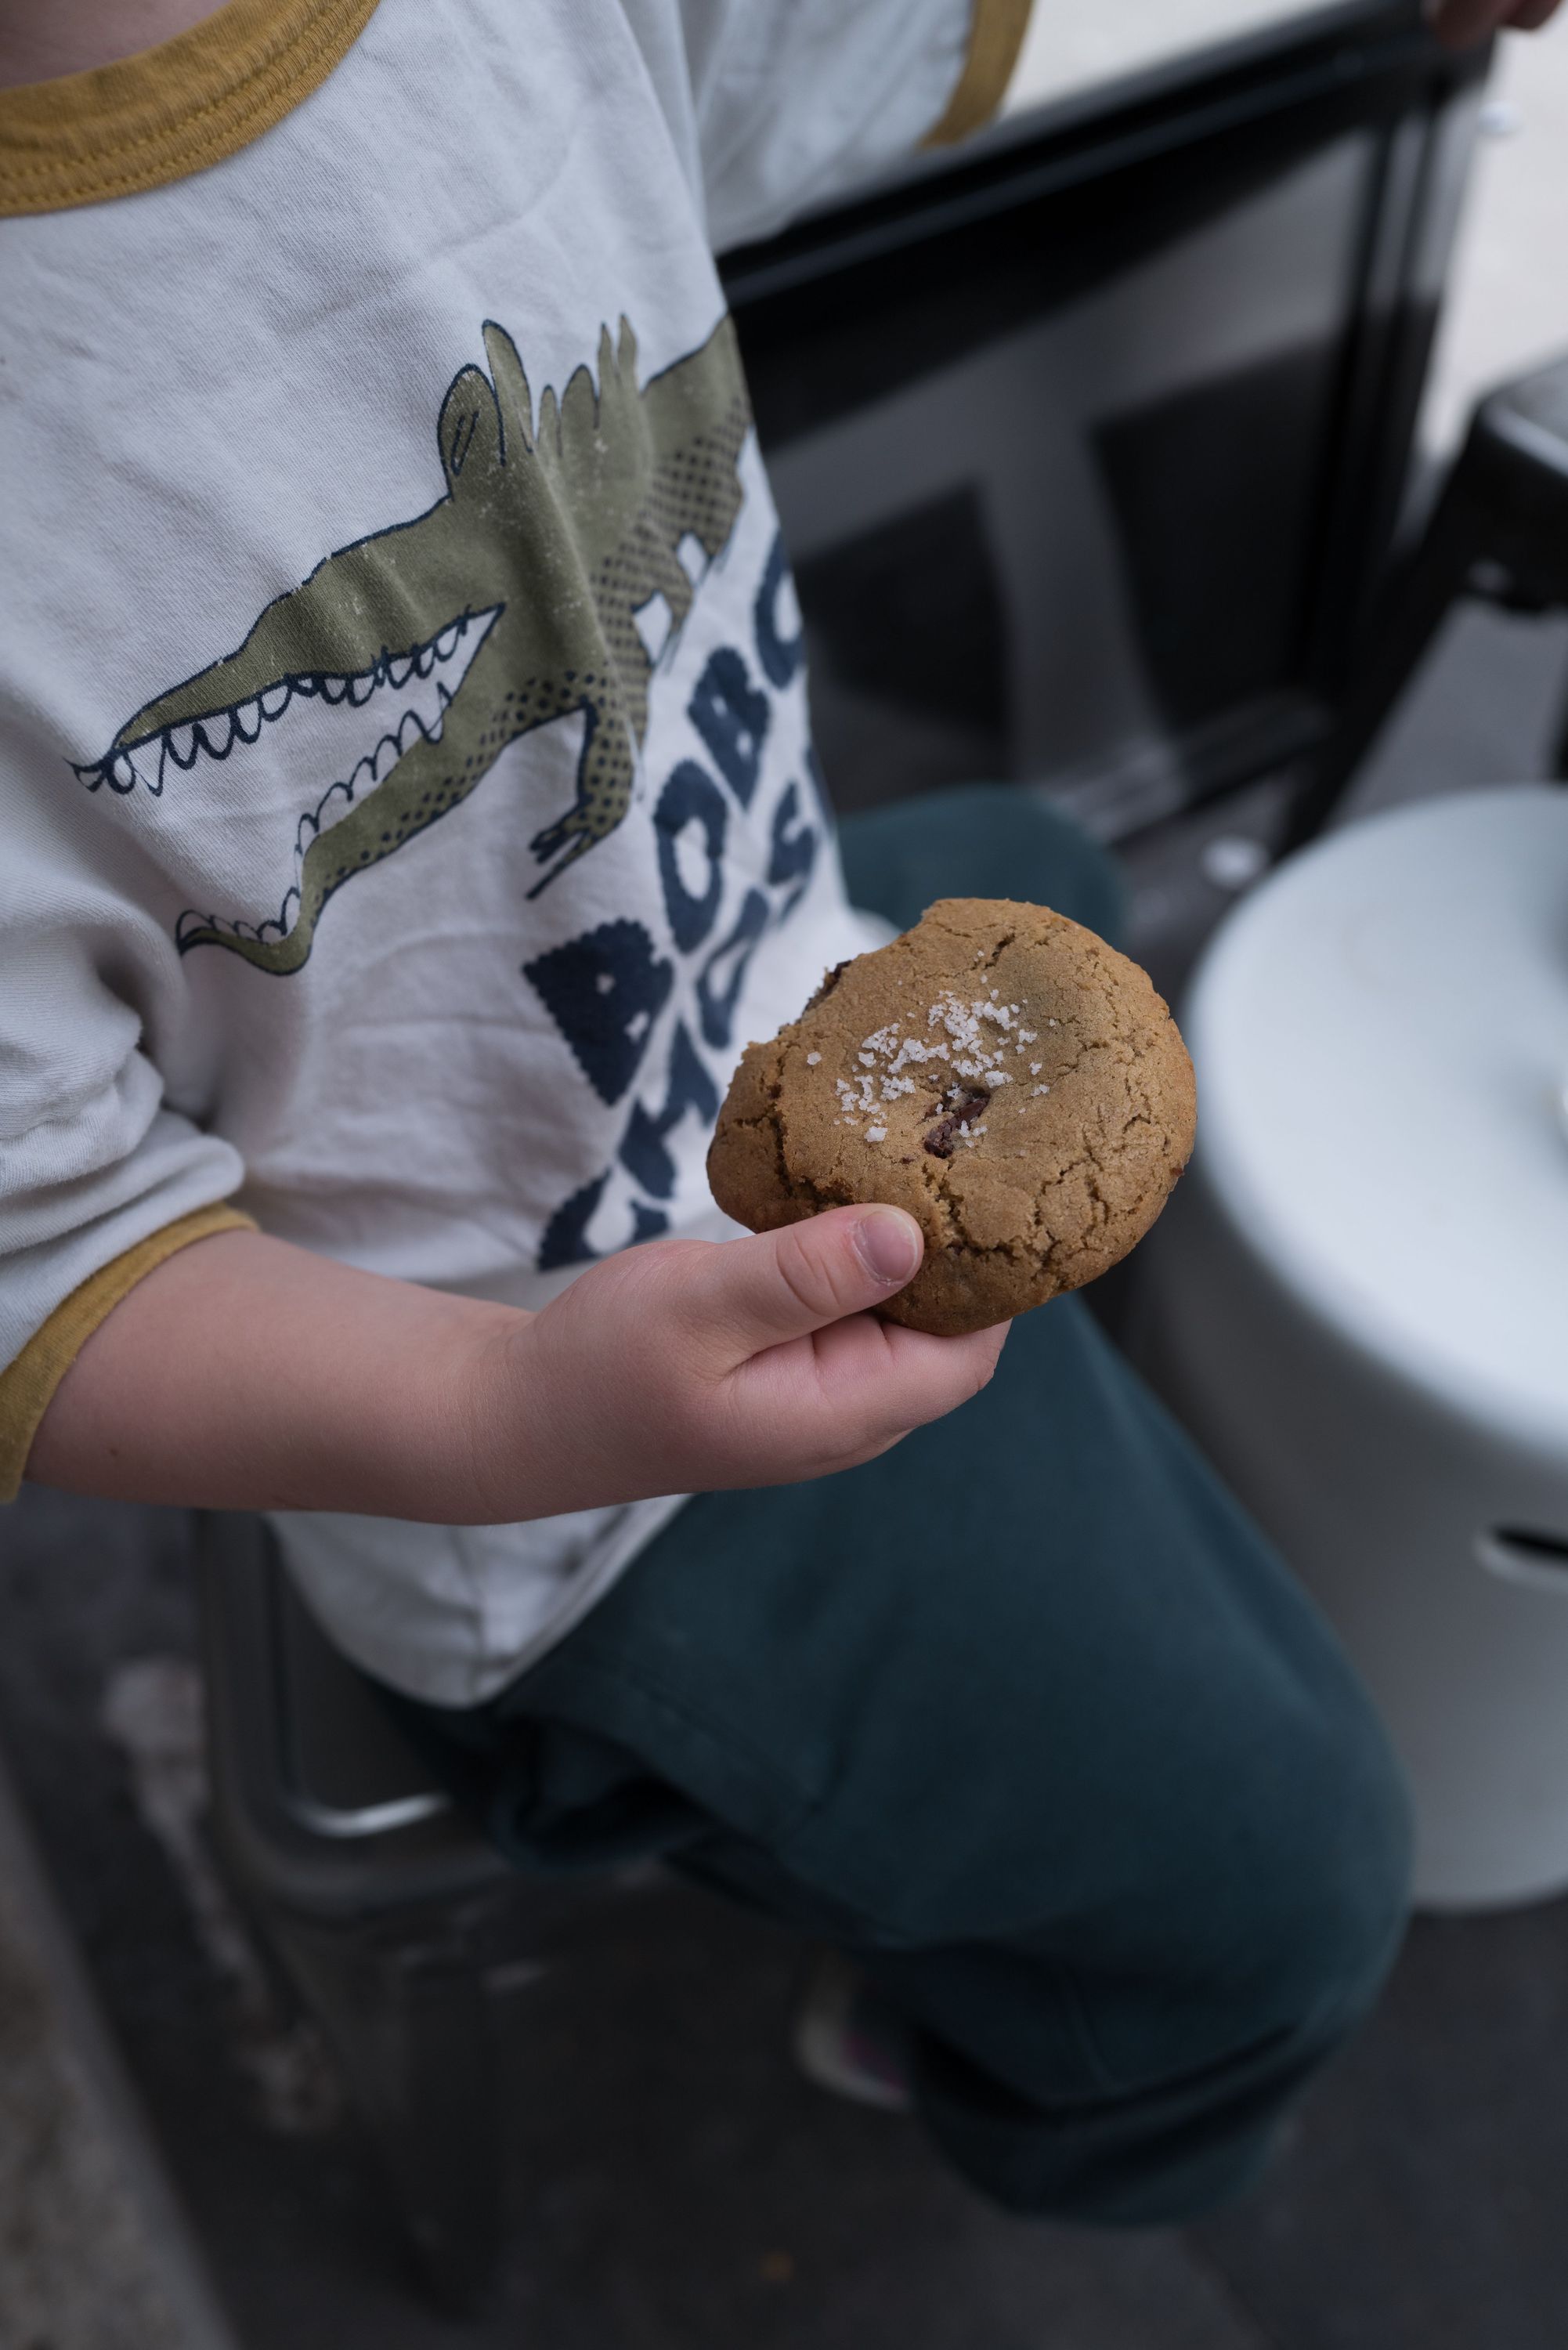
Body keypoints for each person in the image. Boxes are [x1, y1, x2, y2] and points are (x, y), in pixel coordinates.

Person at [0, 0, 1553, 2225]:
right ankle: (981, 2029)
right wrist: (516, 1409)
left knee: (1053, 869)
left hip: (757, 951)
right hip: (548, 1440)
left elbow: (862, 35)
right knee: (1291, 1888)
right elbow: (39, 1256)